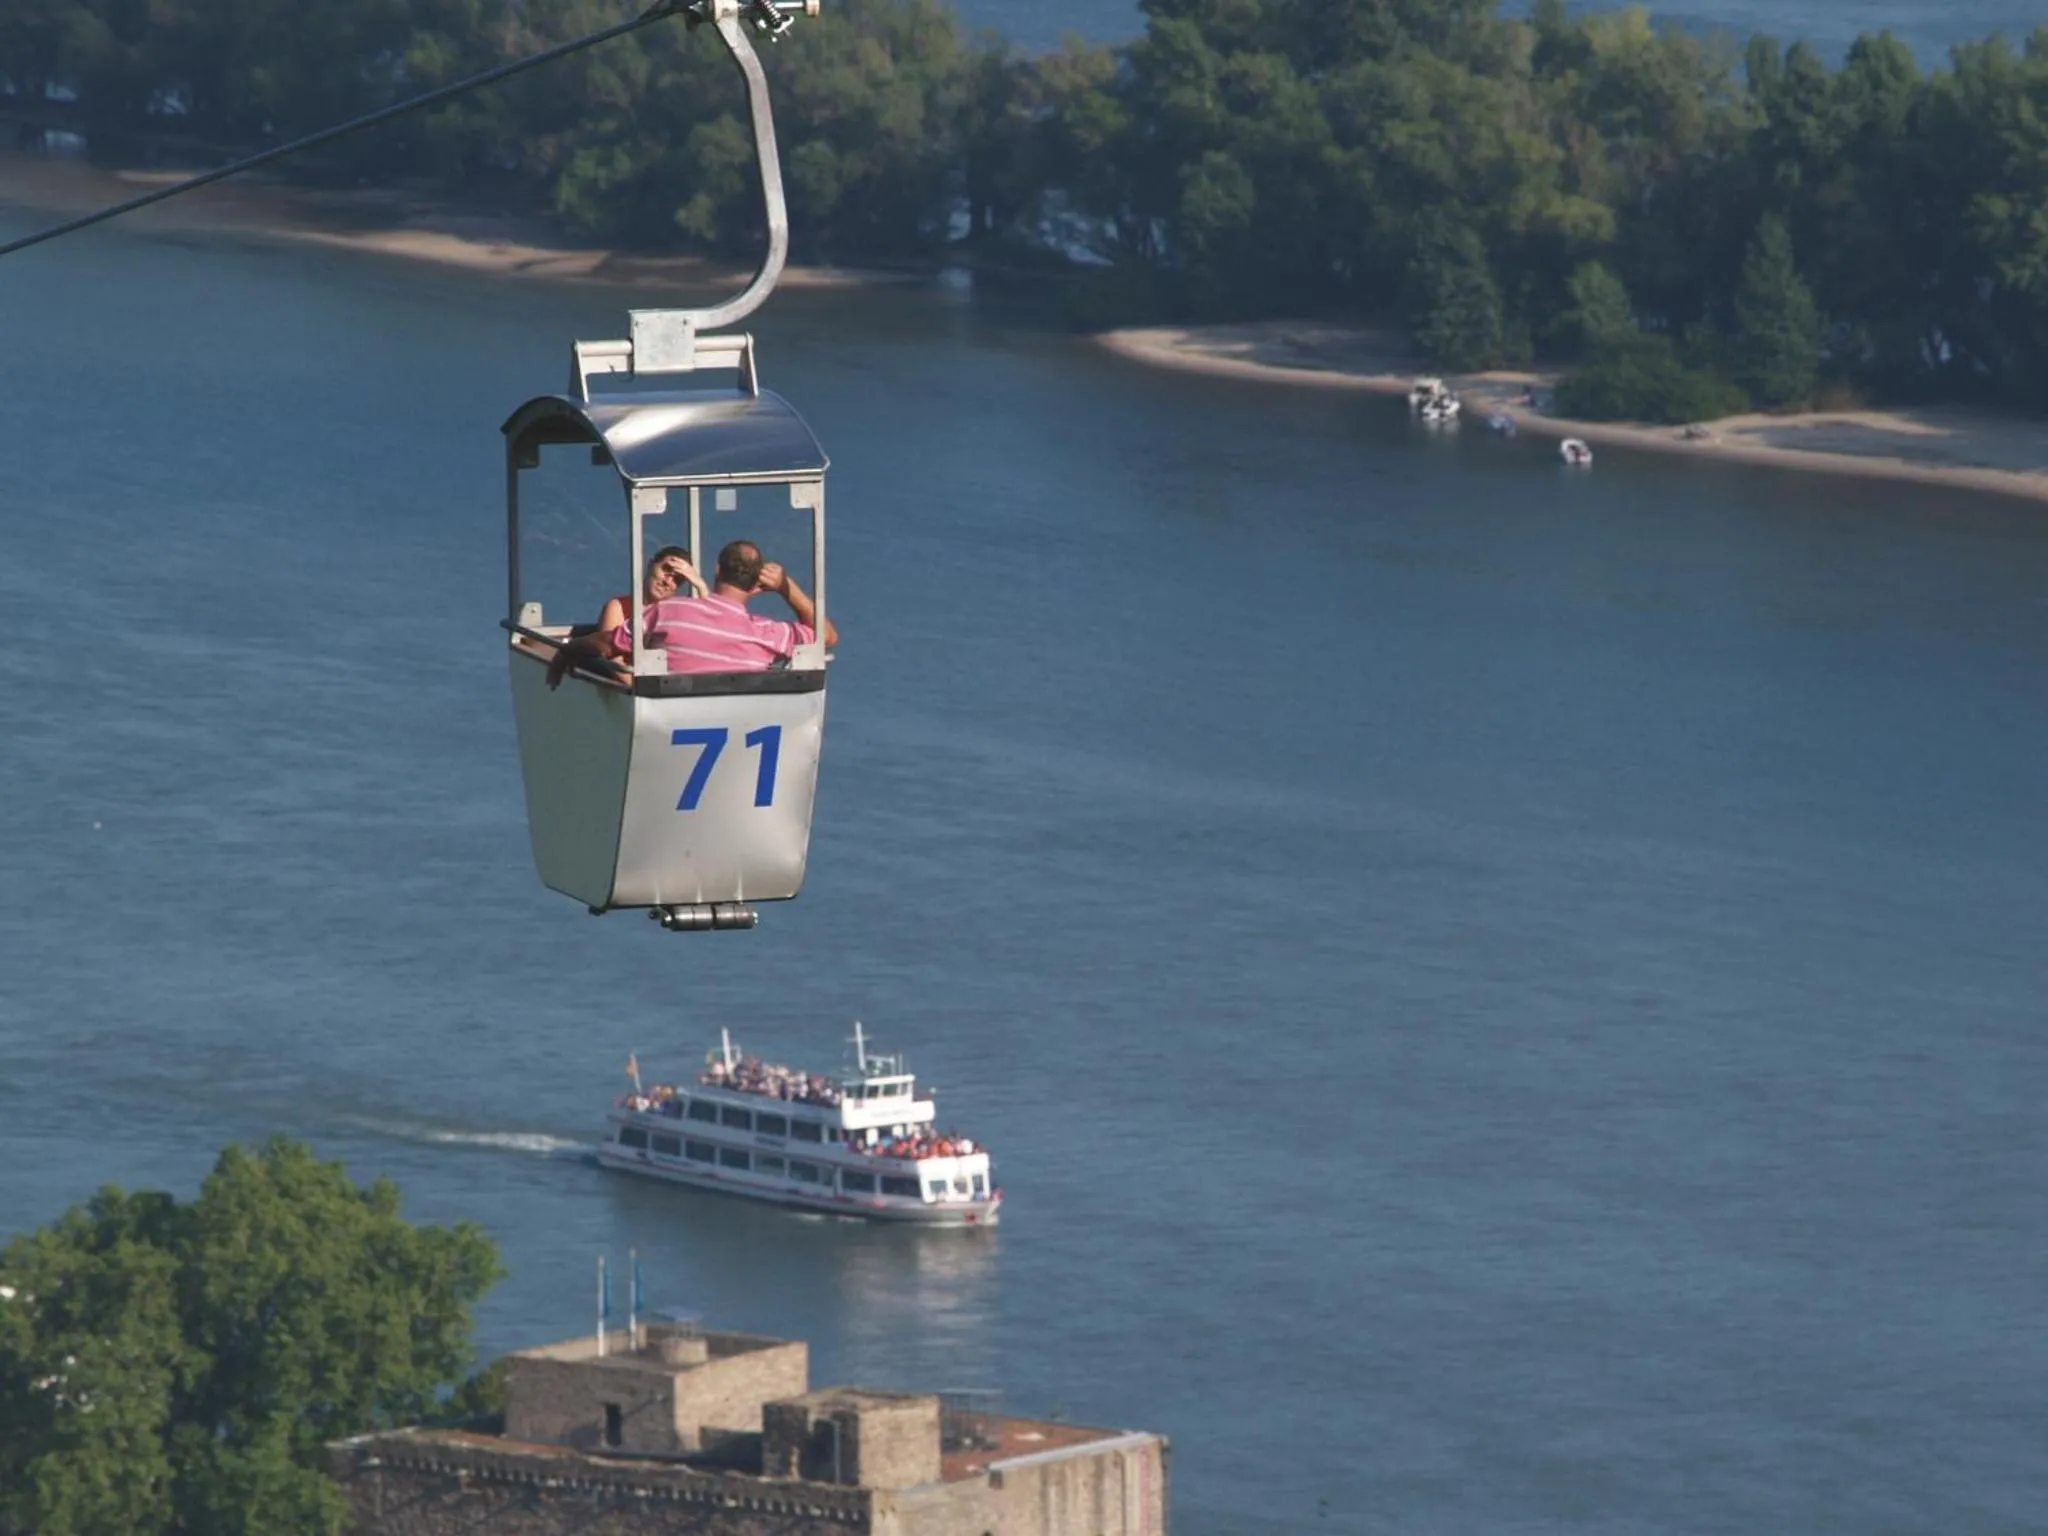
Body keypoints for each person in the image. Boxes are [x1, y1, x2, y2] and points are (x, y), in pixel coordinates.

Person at [618, 539, 839, 675]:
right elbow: (827, 636)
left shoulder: (665, 612)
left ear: (717, 571)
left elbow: (608, 645)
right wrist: (786, 586)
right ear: (754, 585)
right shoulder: (769, 635)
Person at [545, 545, 706, 689]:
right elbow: (613, 660)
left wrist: (700, 585)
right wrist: (640, 693)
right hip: (636, 692)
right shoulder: (619, 607)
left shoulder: (676, 613)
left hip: (670, 689)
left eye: (677, 580)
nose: (668, 582)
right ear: (651, 565)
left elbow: (710, 624)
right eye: (666, 570)